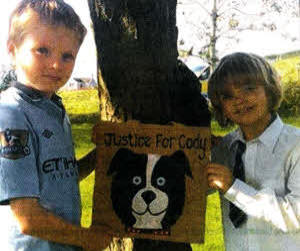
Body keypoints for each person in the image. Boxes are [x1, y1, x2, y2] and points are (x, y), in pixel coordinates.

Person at [0, 0, 111, 250]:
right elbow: (27, 218)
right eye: (42, 50)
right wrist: (87, 238)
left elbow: (59, 177)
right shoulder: (10, 115)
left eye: (67, 55)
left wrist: (101, 154)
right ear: (13, 49)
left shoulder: (54, 110)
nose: (56, 65)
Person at [207, 52, 300, 250]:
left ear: (270, 90)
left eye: (249, 89)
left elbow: (296, 215)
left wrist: (234, 188)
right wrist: (196, 155)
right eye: (227, 96)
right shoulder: (223, 148)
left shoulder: (296, 145)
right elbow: (197, 189)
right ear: (220, 106)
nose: (239, 100)